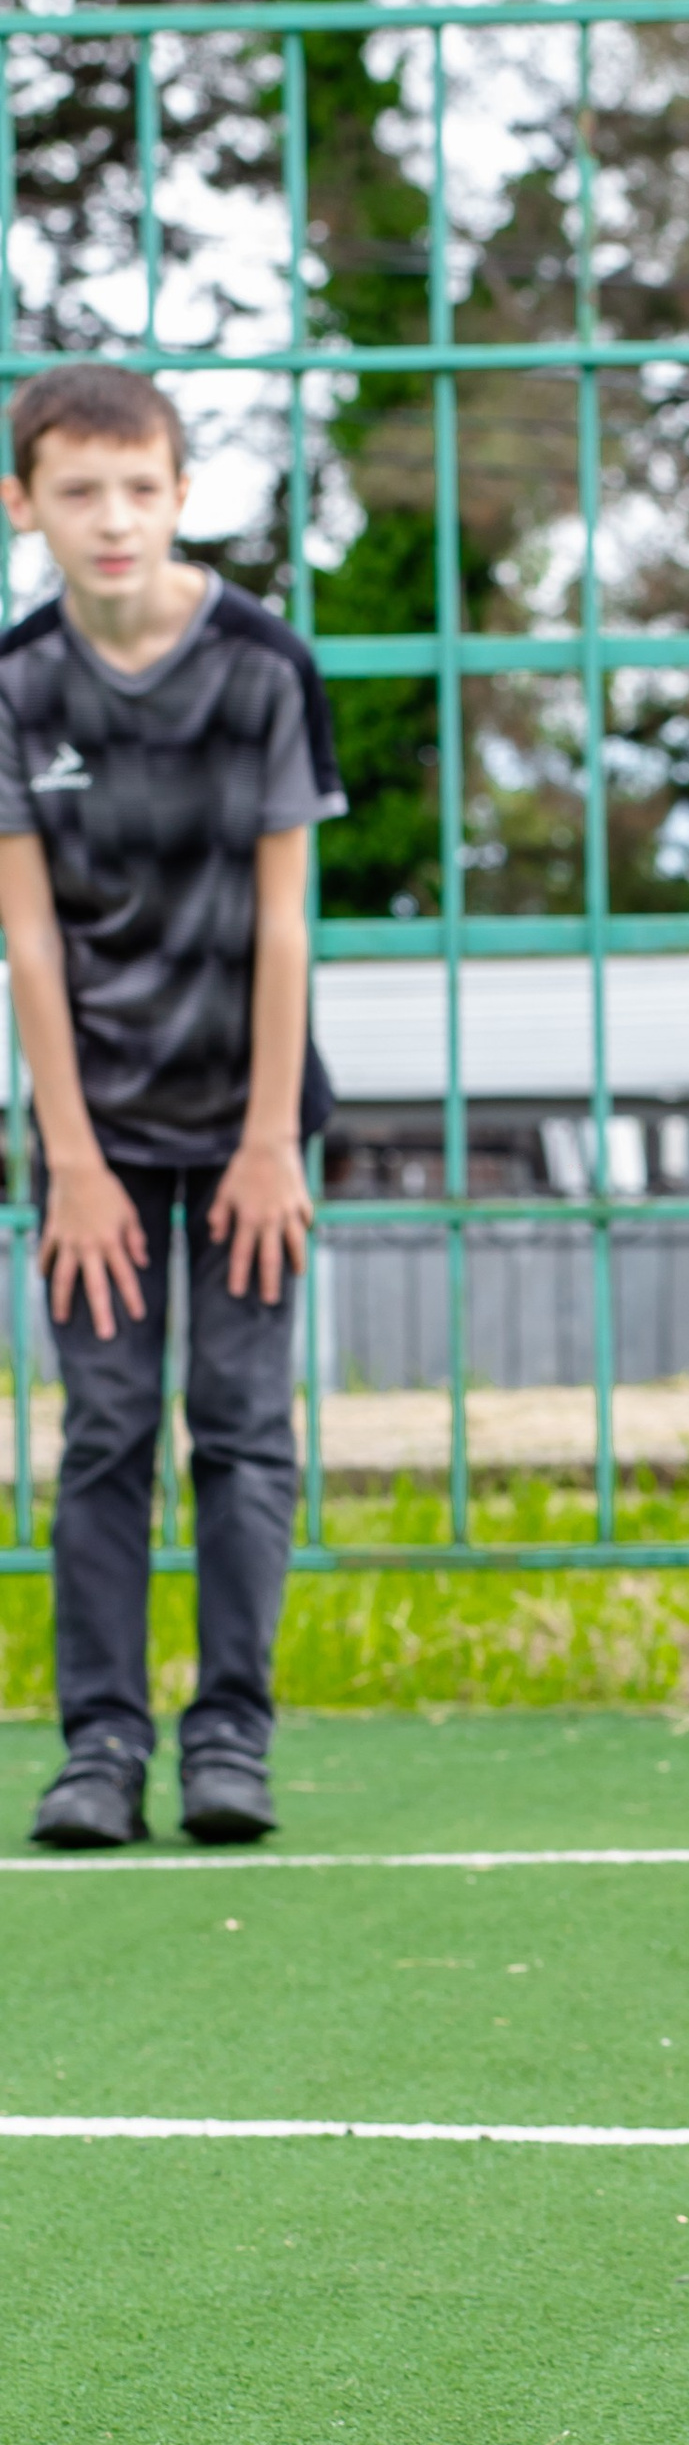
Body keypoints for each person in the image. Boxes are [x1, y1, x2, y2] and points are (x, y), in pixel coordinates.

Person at [0, 362, 343, 1851]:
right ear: (26, 507)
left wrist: (269, 1140)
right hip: (97, 1135)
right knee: (107, 1432)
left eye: (141, 487)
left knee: (244, 1427)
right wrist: (69, 1159)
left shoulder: (265, 668)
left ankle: (230, 1739)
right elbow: (26, 938)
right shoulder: (15, 686)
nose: (113, 518)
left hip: (250, 1118)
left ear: (183, 494)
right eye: (79, 492)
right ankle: (99, 1750)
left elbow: (286, 925)